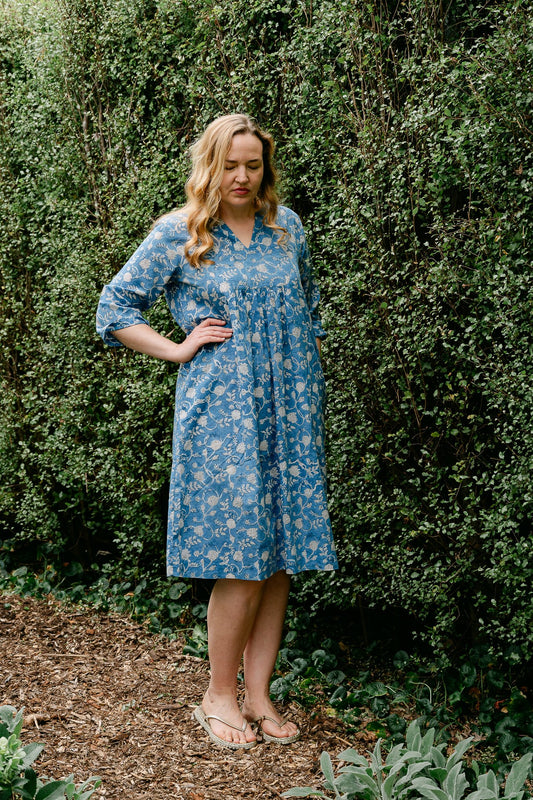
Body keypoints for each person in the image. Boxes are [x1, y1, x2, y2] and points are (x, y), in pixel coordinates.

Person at [96, 114, 337, 750]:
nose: (241, 176)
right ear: (210, 165)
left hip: (289, 412)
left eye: (252, 164)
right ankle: (218, 696)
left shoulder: (288, 232)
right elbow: (114, 308)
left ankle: (257, 695)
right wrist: (177, 351)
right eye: (230, 164)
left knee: (278, 555)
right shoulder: (182, 233)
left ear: (266, 168)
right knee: (241, 555)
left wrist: (301, 381)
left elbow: (308, 309)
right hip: (224, 417)